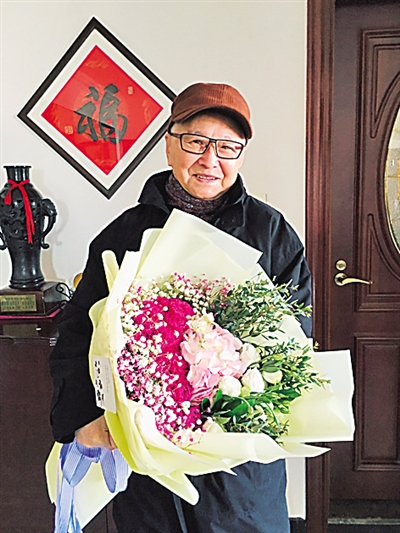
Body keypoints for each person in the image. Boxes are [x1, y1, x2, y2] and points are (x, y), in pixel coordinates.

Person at [49, 82, 312, 533]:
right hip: (146, 455)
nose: (211, 160)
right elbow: (79, 334)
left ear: (241, 155)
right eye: (196, 142)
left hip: (239, 466)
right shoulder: (124, 235)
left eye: (228, 147)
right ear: (170, 144)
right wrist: (84, 417)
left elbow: (293, 339)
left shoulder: (271, 234)